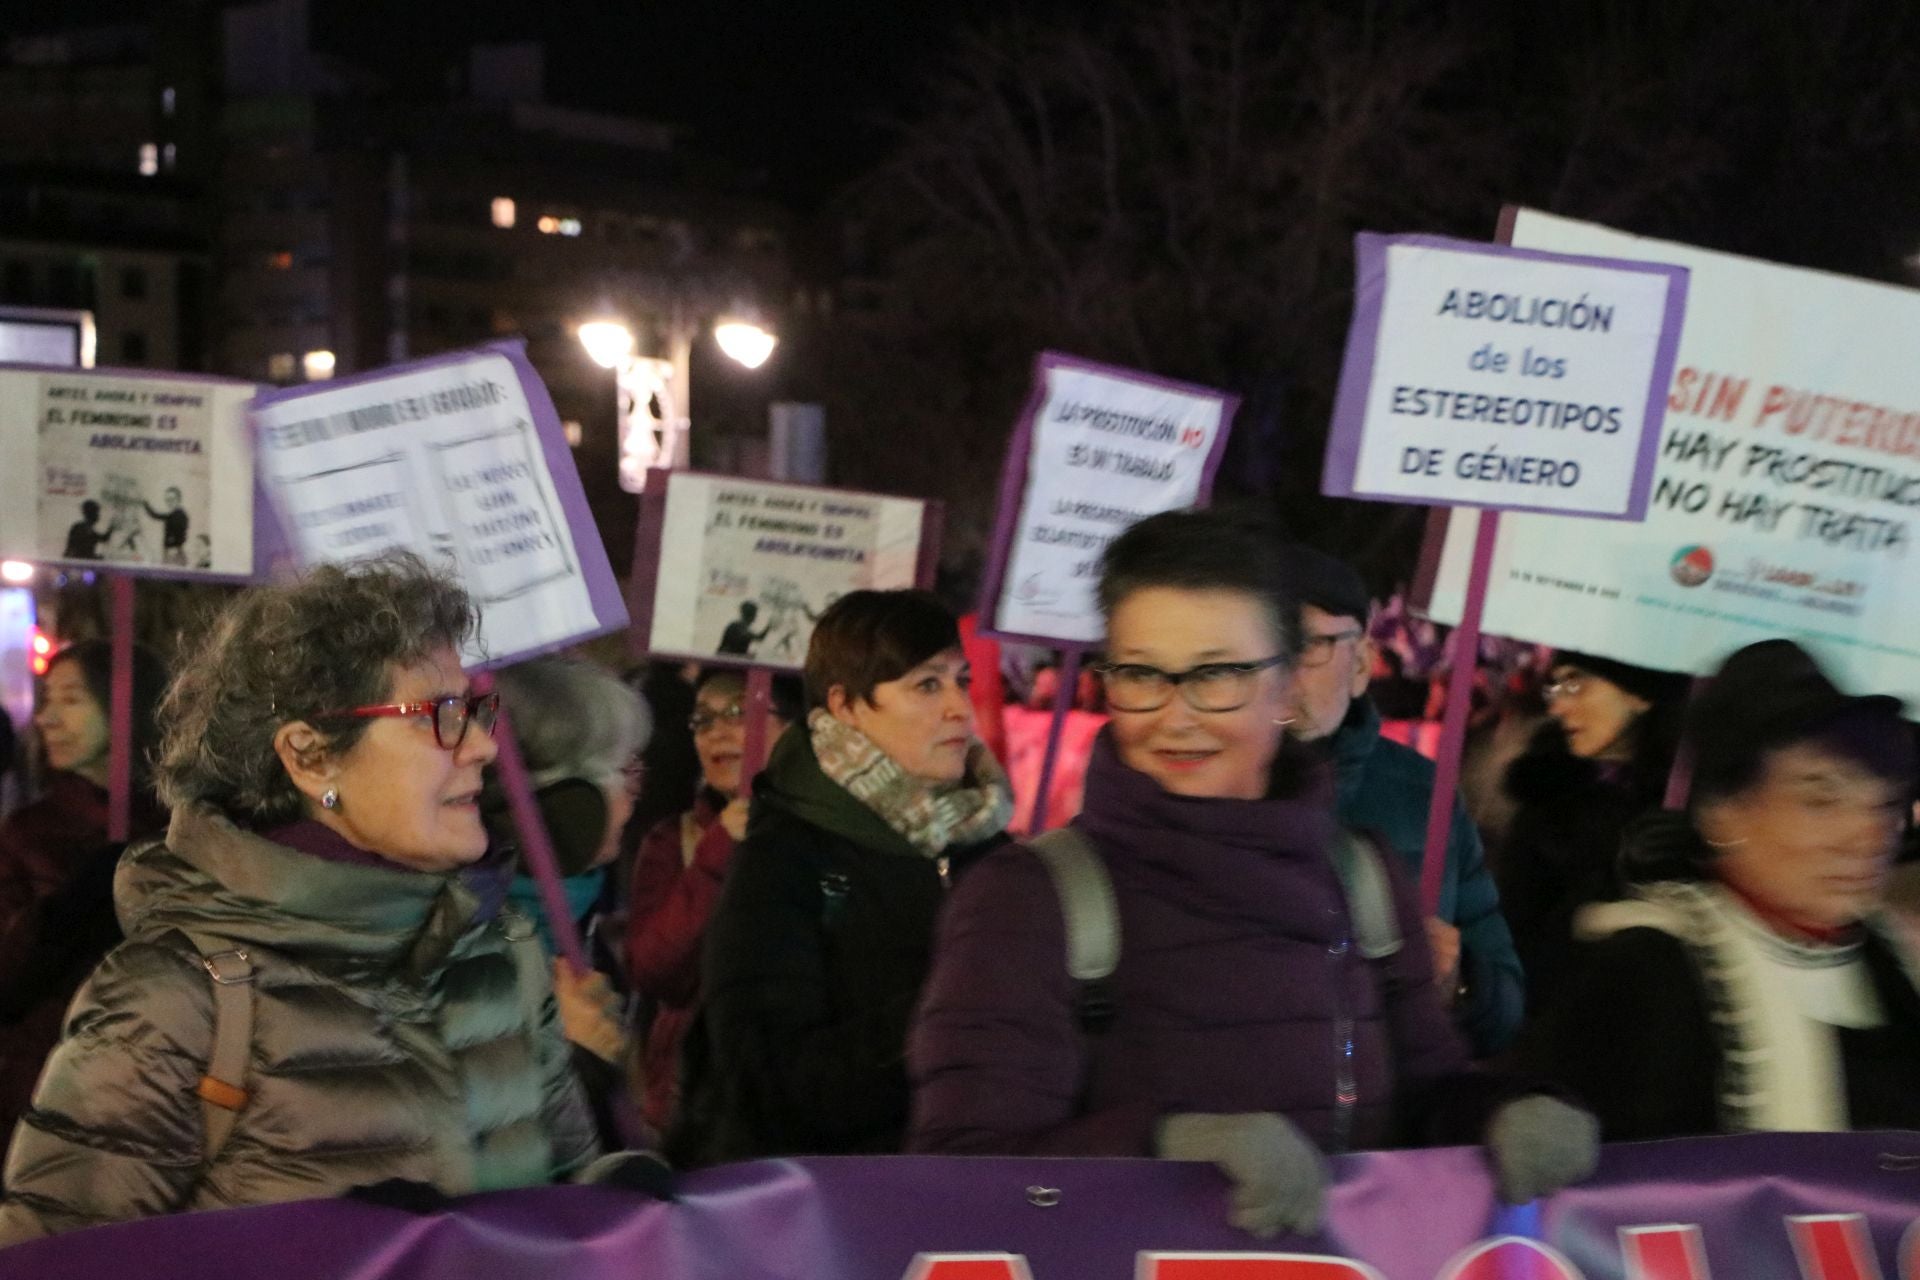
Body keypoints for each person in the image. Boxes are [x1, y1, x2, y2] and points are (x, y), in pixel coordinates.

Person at [908, 509, 1594, 1240]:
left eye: (1220, 674)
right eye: (1141, 674)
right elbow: (966, 1178)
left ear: (1284, 684)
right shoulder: (1029, 898)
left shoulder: (1361, 876)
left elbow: (1425, 1091)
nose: (1177, 717)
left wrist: (1503, 1113)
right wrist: (1166, 1147)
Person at [0, 553, 597, 1244]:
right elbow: (53, 1260)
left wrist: (619, 1197)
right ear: (310, 756)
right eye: (438, 716)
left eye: (474, 709)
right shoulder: (178, 999)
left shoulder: (503, 950)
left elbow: (569, 1201)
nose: (482, 747)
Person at [669, 590, 1013, 1165]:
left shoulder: (992, 850)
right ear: (846, 707)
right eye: (927, 685)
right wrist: (952, 1009)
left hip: (973, 1198)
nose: (959, 706)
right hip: (830, 1215)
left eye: (961, 679)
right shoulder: (785, 856)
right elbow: (770, 1085)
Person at [1526, 640, 1920, 1139]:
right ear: (1724, 812)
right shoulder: (1646, 970)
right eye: (1821, 799)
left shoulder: (1895, 965)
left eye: (1883, 806)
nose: (1865, 837)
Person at [1278, 544, 1524, 1058]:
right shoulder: (1187, 785)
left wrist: (1461, 982)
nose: (1276, 674)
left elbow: (1505, 1005)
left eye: (1304, 646)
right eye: (1252, 648)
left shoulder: (1420, 794)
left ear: (1363, 663)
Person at [0, 640, 169, 1161]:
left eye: (71, 699)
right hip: (40, 1087)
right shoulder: (28, 835)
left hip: (154, 1083)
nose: (47, 718)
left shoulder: (182, 831)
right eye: (47, 699)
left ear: (126, 704)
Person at [628, 669, 799, 1134]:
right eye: (702, 720)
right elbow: (655, 970)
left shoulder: (827, 837)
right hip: (694, 1107)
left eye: (741, 713)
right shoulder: (672, 840)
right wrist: (720, 851)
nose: (717, 732)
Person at [1497, 650, 1686, 1015]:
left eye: (1576, 683)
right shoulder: (1547, 802)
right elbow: (1517, 945)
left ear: (1639, 693)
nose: (1558, 707)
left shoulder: (1699, 806)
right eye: (1555, 687)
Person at [141, 485, 190, 566]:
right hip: (171, 552)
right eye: (167, 500)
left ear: (179, 499)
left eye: (171, 499)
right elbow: (155, 515)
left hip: (173, 553)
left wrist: (173, 548)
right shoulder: (172, 514)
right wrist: (145, 503)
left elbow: (181, 535)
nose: (169, 502)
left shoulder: (180, 515)